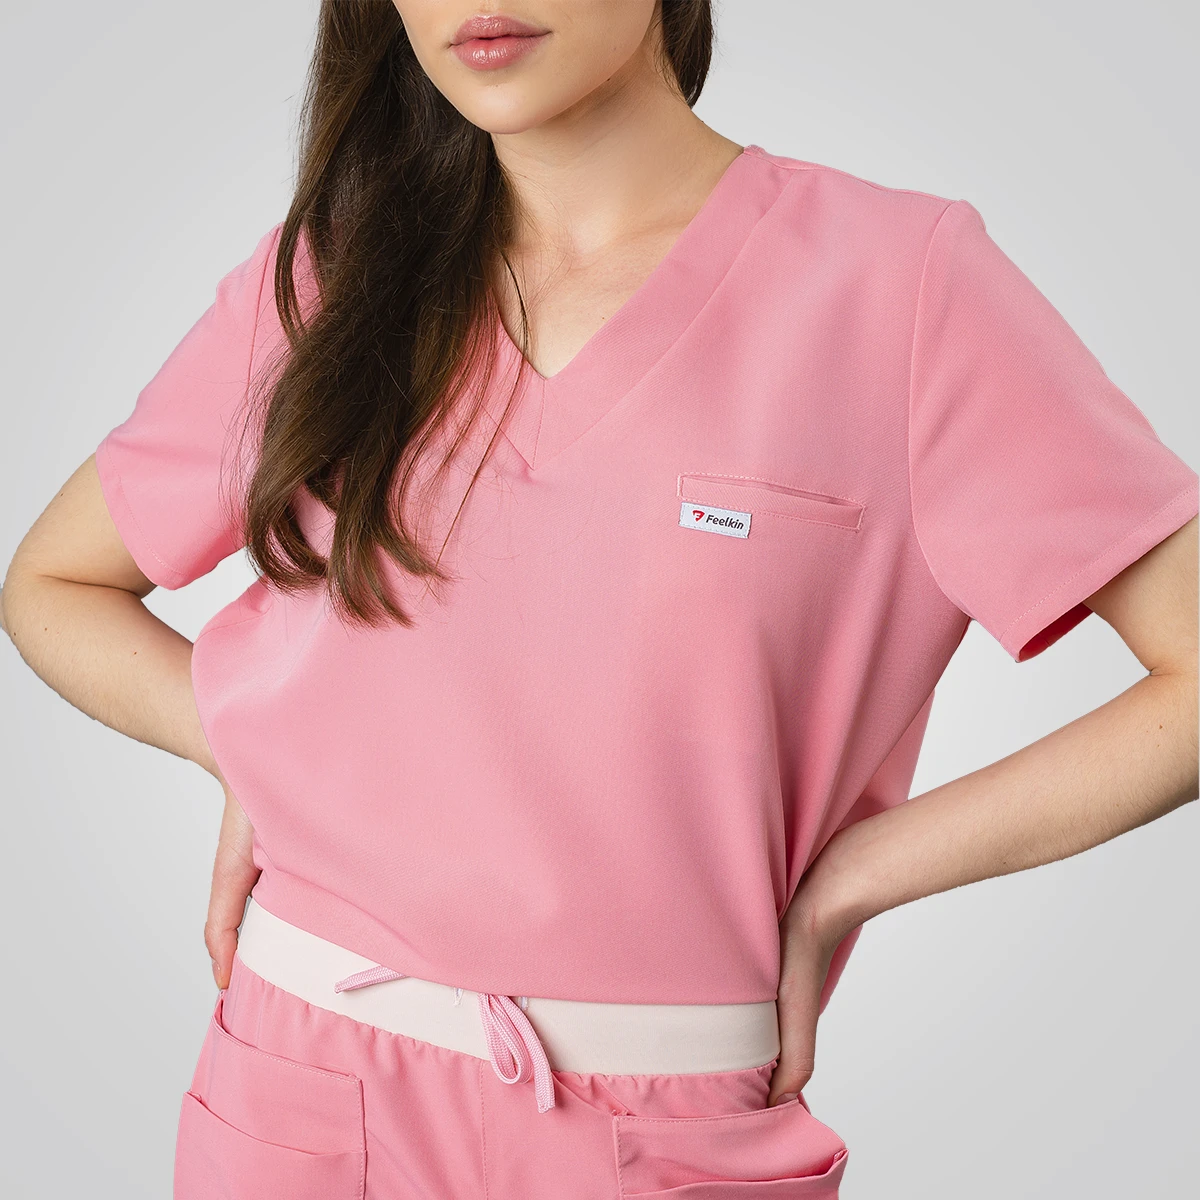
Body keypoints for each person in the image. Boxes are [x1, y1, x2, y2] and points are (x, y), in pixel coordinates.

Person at [2, 2, 1196, 1196]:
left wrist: (855, 877)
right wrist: (251, 754)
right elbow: (55, 584)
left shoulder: (901, 286)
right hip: (300, 1084)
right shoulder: (335, 273)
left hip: (666, 1130)